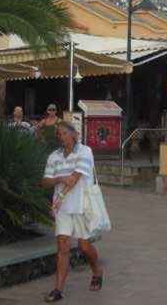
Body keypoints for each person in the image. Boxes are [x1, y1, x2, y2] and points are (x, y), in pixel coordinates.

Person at [41, 122, 103, 302]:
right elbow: (45, 182)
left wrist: (60, 193)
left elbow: (75, 178)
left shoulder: (85, 151)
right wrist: (59, 178)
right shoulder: (54, 156)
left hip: (82, 206)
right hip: (62, 209)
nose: (62, 137)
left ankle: (97, 271)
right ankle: (58, 290)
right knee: (63, 247)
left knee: (84, 247)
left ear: (74, 134)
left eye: (65, 133)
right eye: (59, 134)